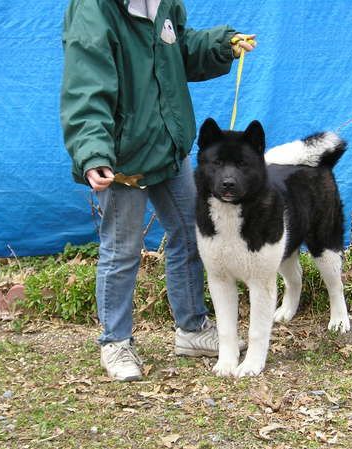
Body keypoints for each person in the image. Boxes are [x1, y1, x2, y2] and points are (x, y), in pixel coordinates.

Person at [60, 0, 256, 381]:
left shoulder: (164, 4)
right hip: (122, 159)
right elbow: (85, 87)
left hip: (167, 147)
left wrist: (221, 45)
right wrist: (93, 151)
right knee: (122, 249)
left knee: (192, 232)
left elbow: (178, 48)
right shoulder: (94, 11)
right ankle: (115, 342)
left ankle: (191, 329)